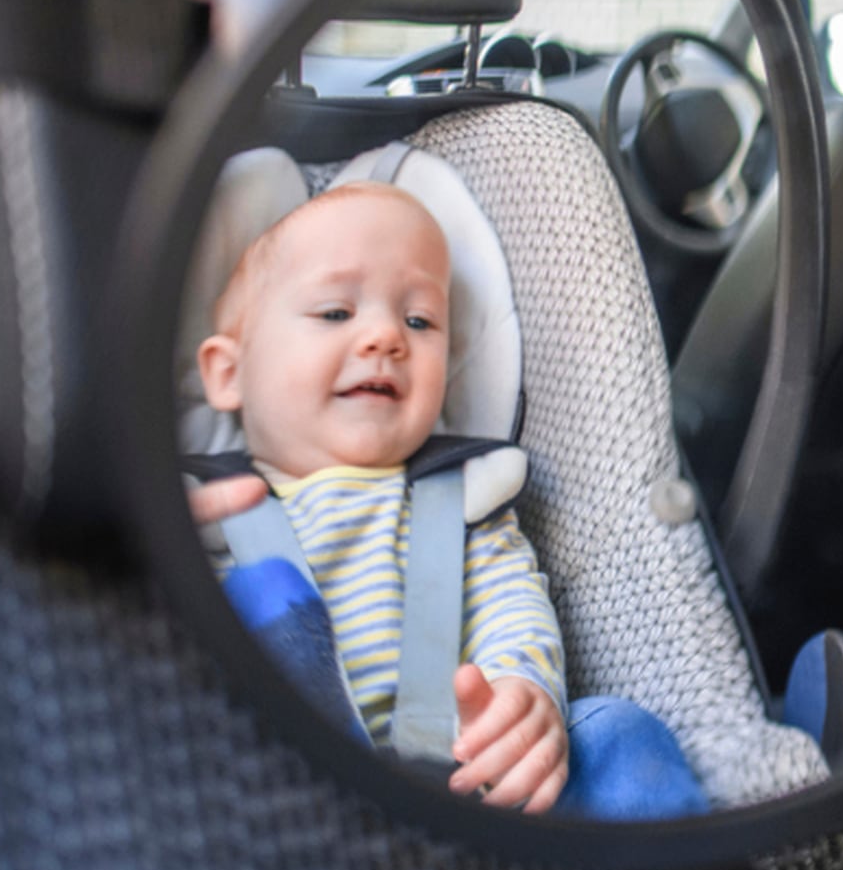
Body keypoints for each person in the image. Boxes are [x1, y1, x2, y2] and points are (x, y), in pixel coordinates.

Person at [187, 181, 704, 818]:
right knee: (253, 594)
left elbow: (509, 605)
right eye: (334, 312)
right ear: (227, 373)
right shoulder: (205, 515)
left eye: (419, 320)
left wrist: (522, 694)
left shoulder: (460, 499)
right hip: (283, 799)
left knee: (621, 734)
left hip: (467, 784)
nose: (385, 336)